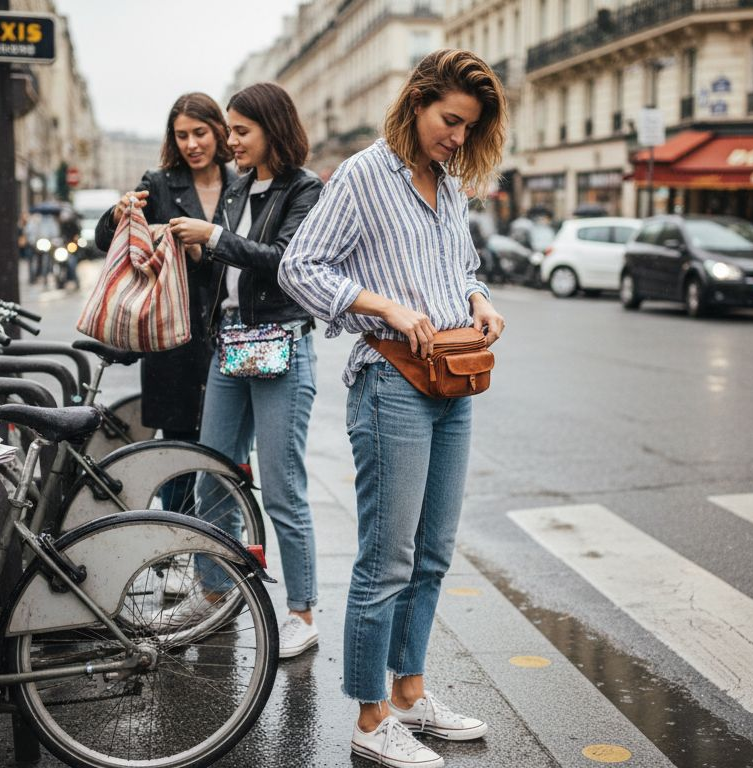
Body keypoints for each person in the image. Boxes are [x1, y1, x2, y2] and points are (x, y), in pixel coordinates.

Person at [279, 49, 507, 767]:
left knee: (433, 554)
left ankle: (409, 694)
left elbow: (461, 268)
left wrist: (480, 302)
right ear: (416, 104)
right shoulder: (361, 176)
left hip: (454, 379)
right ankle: (370, 716)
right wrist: (380, 305)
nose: (458, 138)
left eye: (469, 128)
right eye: (450, 121)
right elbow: (298, 267)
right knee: (388, 559)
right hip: (391, 383)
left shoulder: (450, 183)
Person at [156, 82, 325, 661]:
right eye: (229, 129)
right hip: (232, 344)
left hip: (282, 344)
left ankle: (302, 612)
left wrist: (216, 237)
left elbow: (286, 262)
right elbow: (225, 268)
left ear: (273, 129)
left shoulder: (305, 189)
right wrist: (191, 246)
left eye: (241, 130)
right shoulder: (236, 187)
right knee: (212, 476)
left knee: (281, 488)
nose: (231, 140)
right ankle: (212, 591)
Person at [94, 92, 237, 504]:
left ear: (219, 131)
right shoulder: (158, 183)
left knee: (226, 455)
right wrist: (118, 213)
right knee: (177, 456)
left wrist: (204, 250)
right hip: (173, 339)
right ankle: (174, 534)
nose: (191, 144)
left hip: (230, 336)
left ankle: (216, 537)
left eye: (199, 133)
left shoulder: (240, 185)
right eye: (181, 135)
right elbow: (106, 239)